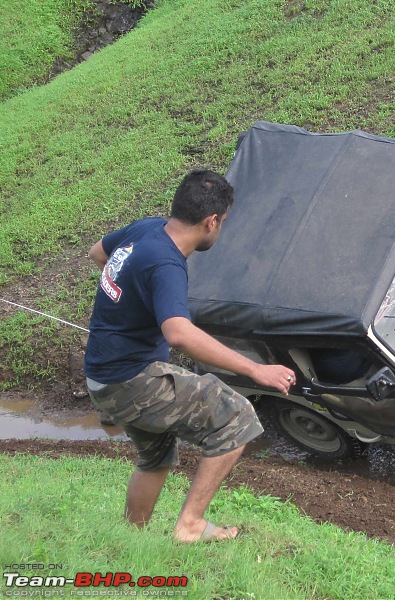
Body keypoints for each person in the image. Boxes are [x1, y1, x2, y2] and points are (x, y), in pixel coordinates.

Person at [83, 169, 295, 542]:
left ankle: (134, 537)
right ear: (211, 221)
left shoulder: (146, 228)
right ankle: (191, 524)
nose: (220, 229)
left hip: (103, 375)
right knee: (237, 417)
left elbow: (98, 254)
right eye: (223, 222)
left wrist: (132, 300)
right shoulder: (166, 264)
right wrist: (255, 370)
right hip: (131, 381)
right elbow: (179, 334)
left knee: (156, 457)